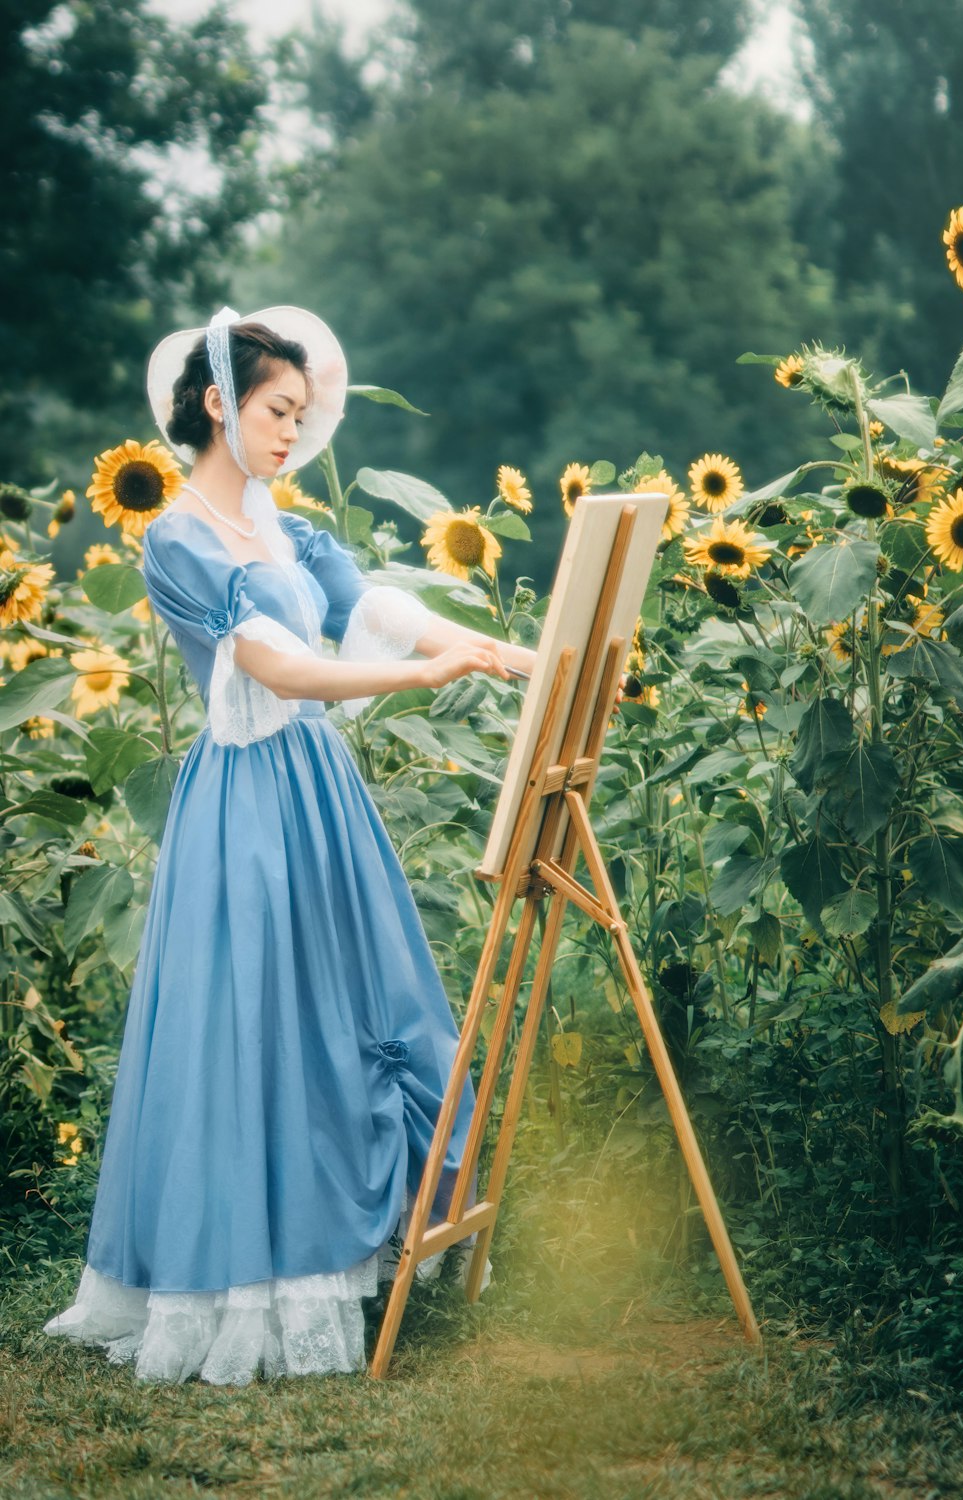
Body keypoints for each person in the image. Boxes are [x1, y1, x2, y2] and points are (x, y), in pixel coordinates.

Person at [43, 306, 537, 1386]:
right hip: (245, 802)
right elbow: (282, 670)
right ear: (219, 404)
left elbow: (376, 608)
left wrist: (488, 646)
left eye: (301, 416)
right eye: (276, 411)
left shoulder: (291, 528)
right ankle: (248, 1272)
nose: (291, 433)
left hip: (318, 791)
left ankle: (351, 1246)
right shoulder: (174, 538)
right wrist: (421, 678)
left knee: (348, 1006)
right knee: (255, 1016)